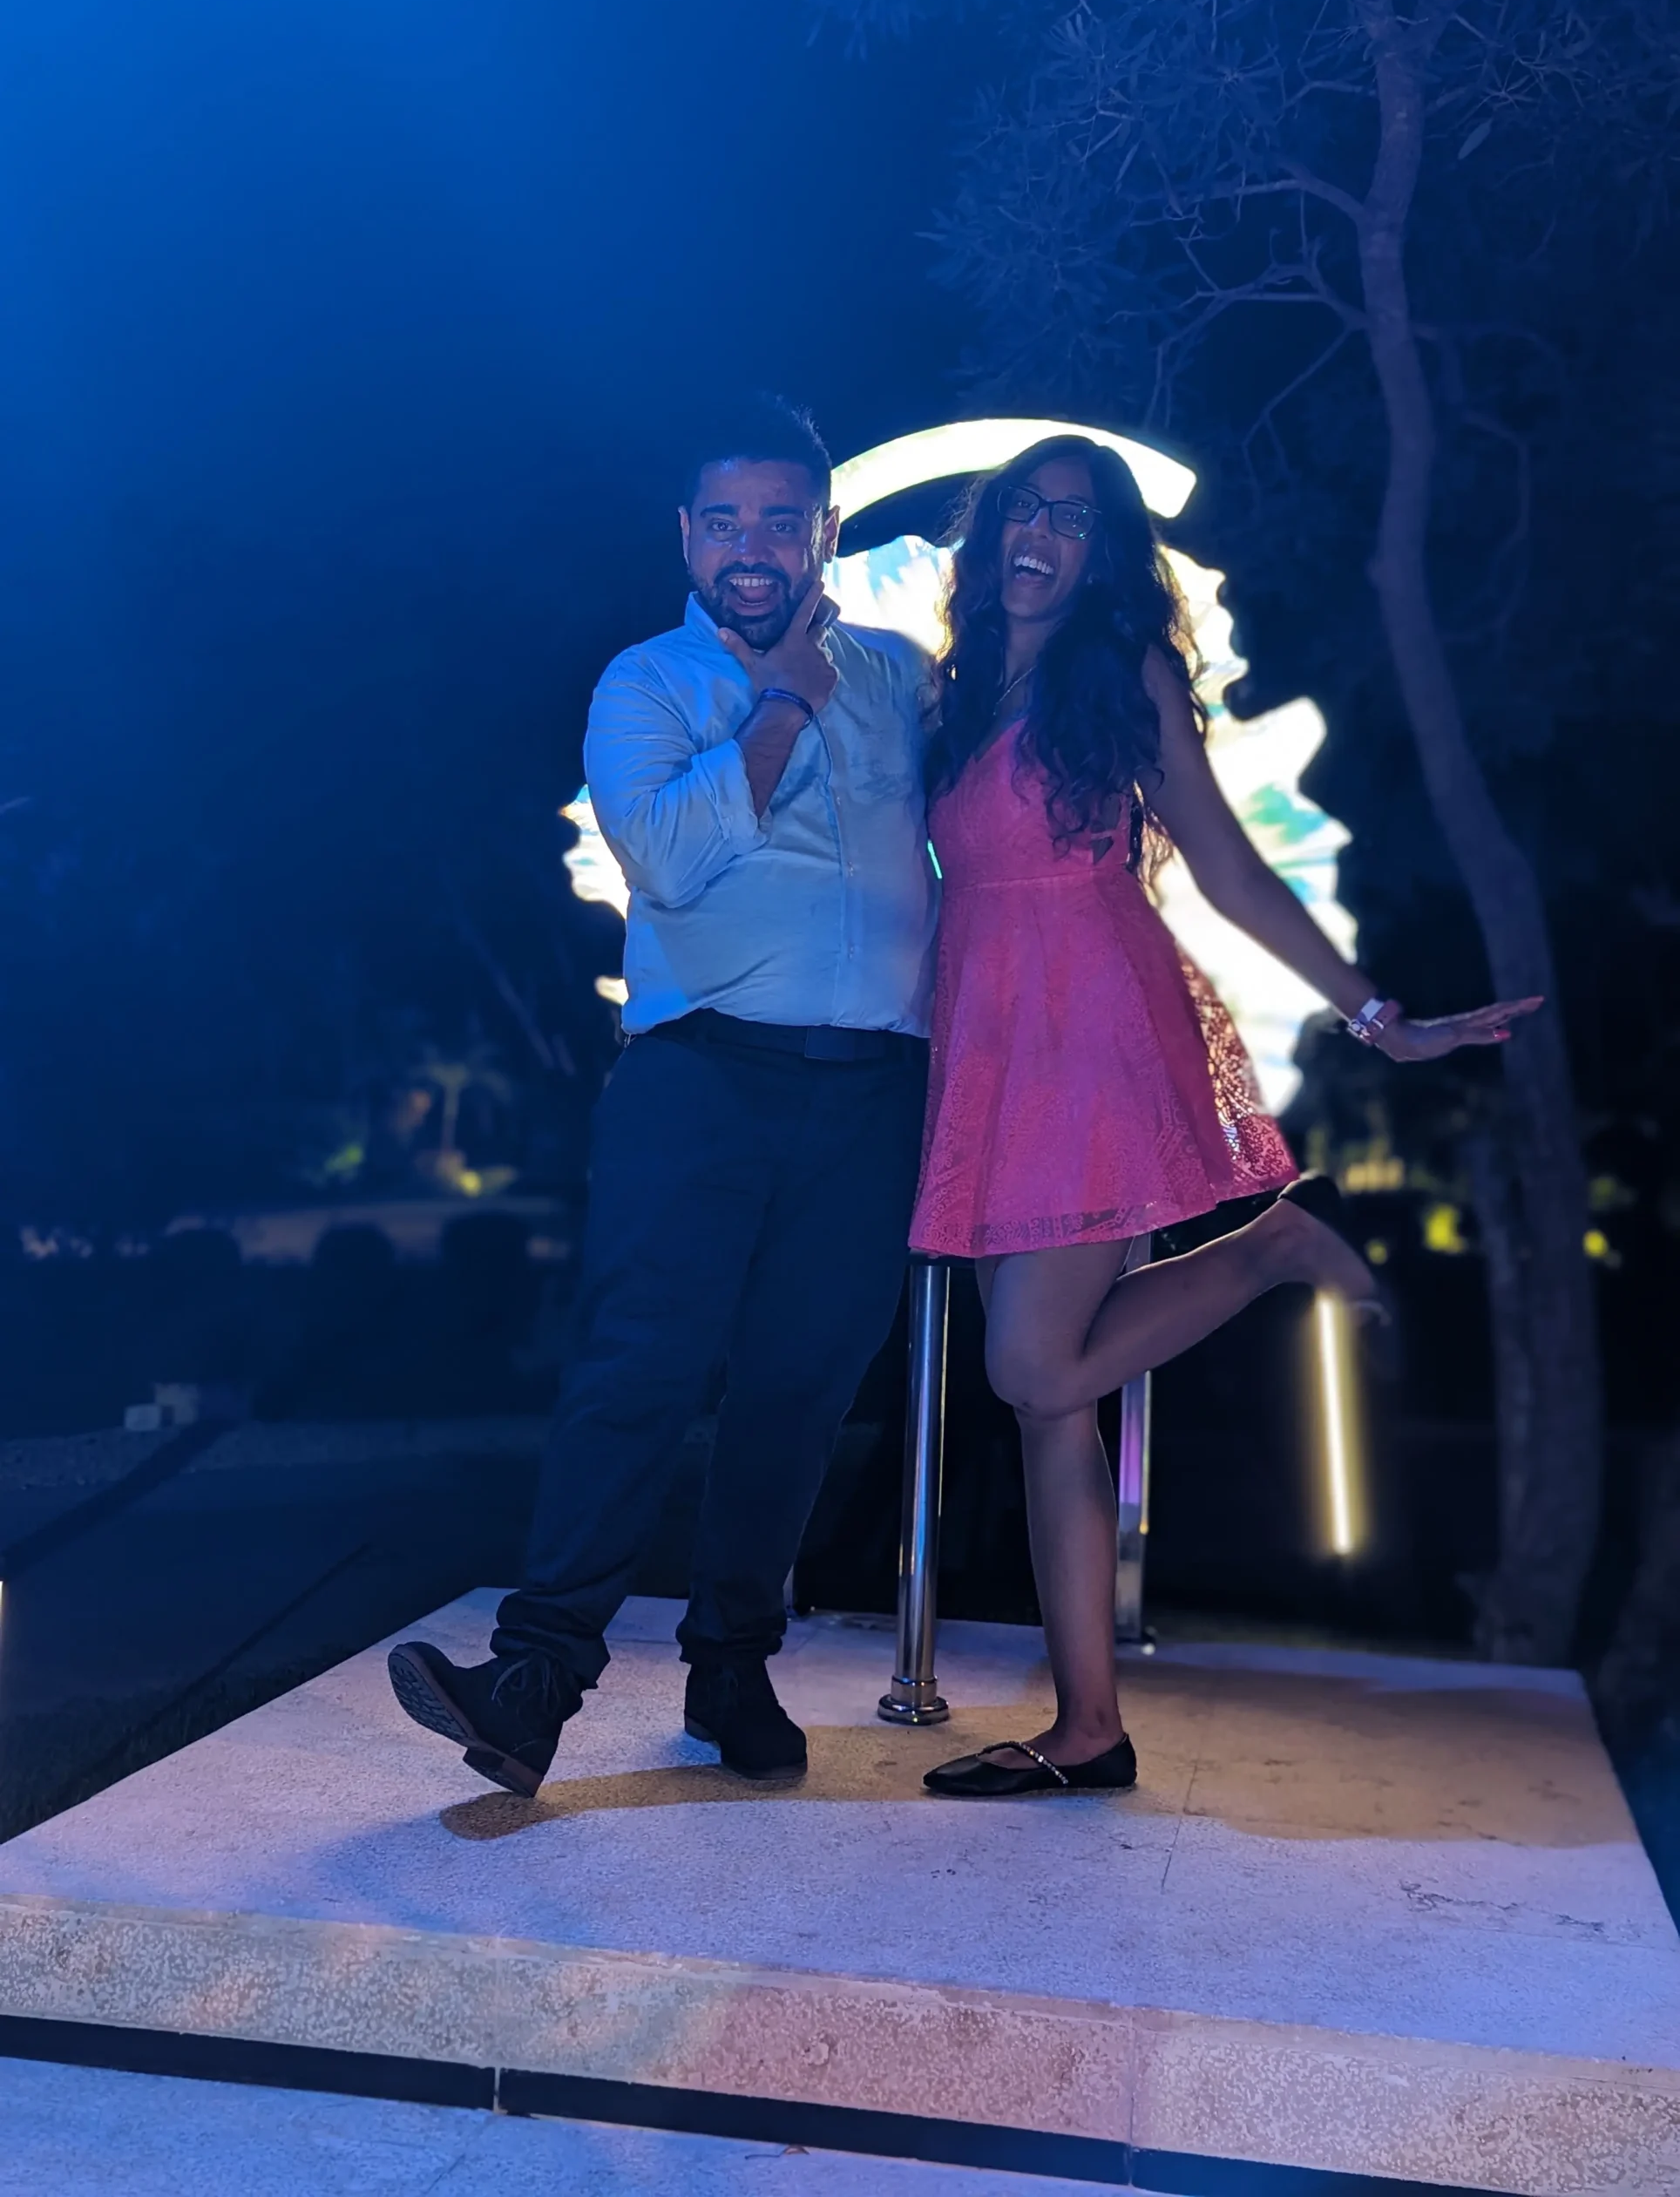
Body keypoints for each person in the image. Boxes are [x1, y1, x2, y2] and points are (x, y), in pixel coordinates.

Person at [912, 437, 1541, 1800]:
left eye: (1076, 521)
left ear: (1105, 558)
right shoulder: (956, 688)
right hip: (992, 1051)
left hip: (1090, 1036)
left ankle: (1266, 1250)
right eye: (1026, 508)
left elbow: (1233, 870)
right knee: (1047, 1415)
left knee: (1029, 1367)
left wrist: (1380, 1015)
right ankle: (1090, 1729)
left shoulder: (1117, 677)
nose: (1043, 533)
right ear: (992, 532)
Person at [389, 397, 937, 1791]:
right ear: (687, 539)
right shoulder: (641, 685)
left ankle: (733, 1669)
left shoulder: (905, 677)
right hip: (699, 1077)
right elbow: (677, 861)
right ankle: (532, 1682)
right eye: (725, 523)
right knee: (638, 1374)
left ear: (827, 531)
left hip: (874, 1089)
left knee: (802, 1390)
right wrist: (780, 704)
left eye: (780, 521)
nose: (752, 549)